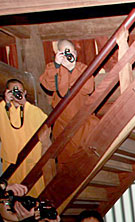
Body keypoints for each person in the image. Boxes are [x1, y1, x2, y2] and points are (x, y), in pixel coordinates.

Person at [38, 40, 98, 171]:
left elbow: (89, 88)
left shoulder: (82, 68)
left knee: (88, 149)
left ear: (76, 53)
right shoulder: (52, 68)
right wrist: (58, 66)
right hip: (62, 122)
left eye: (70, 52)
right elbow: (48, 85)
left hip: (82, 118)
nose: (68, 55)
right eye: (64, 52)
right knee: (66, 158)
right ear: (57, 53)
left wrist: (71, 69)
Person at [0, 78, 51, 197]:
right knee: (15, 193)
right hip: (12, 160)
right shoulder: (3, 110)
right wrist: (6, 103)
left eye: (20, 91)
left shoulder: (32, 110)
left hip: (31, 160)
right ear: (7, 92)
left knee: (36, 193)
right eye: (13, 91)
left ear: (25, 92)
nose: (17, 94)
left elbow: (45, 122)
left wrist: (24, 103)